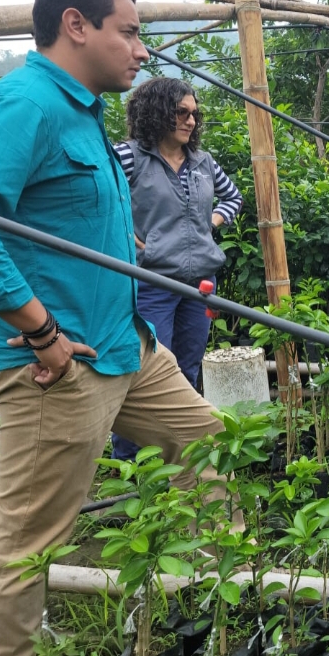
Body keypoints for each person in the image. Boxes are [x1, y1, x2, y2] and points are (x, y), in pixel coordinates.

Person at [0, 0, 230, 656]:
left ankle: (212, 602)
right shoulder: (23, 105)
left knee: (209, 443)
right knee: (28, 541)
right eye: (130, 32)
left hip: (127, 345)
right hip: (60, 363)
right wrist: (41, 331)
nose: (142, 50)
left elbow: (59, 214)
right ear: (76, 25)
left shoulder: (84, 114)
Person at [109, 77, 243, 461]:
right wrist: (127, 234)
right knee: (145, 375)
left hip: (200, 284)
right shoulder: (129, 157)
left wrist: (209, 224)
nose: (190, 120)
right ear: (156, 112)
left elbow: (232, 197)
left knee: (186, 371)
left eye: (194, 114)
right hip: (150, 283)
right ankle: (131, 467)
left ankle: (182, 462)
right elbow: (97, 198)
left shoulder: (203, 162)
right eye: (181, 112)